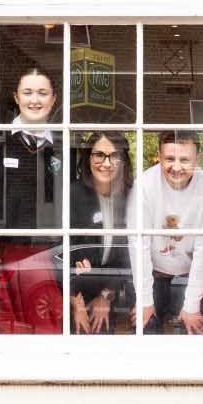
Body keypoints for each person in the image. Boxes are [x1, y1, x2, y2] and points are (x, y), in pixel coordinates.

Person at [129, 131, 203, 334]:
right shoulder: (145, 185)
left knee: (198, 328)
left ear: (197, 159)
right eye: (169, 159)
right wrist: (145, 302)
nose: (176, 167)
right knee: (146, 326)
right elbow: (139, 244)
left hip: (195, 271)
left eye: (184, 160)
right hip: (155, 271)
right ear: (158, 156)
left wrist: (191, 305)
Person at [69, 130, 132, 334]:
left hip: (111, 291)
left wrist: (106, 296)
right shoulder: (73, 194)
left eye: (114, 155)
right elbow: (58, 249)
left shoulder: (131, 196)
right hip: (71, 292)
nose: (106, 163)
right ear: (88, 158)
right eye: (99, 155)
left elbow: (129, 255)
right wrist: (75, 302)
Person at [0, 66, 63, 231]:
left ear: (53, 99)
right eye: (27, 93)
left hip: (51, 244)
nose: (35, 100)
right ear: (17, 98)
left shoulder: (62, 144)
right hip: (2, 245)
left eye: (42, 93)